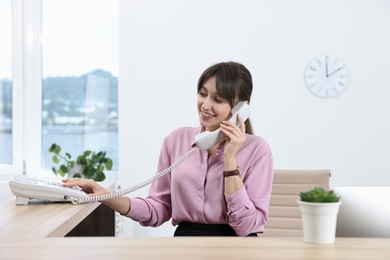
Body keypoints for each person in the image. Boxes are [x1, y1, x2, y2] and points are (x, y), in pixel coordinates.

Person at [63, 61, 274, 236]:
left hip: (237, 248)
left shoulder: (258, 150)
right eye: (202, 94)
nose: (205, 105)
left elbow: (246, 226)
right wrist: (105, 196)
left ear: (240, 108)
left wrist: (230, 160)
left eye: (217, 99)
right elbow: (158, 209)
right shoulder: (176, 141)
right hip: (185, 244)